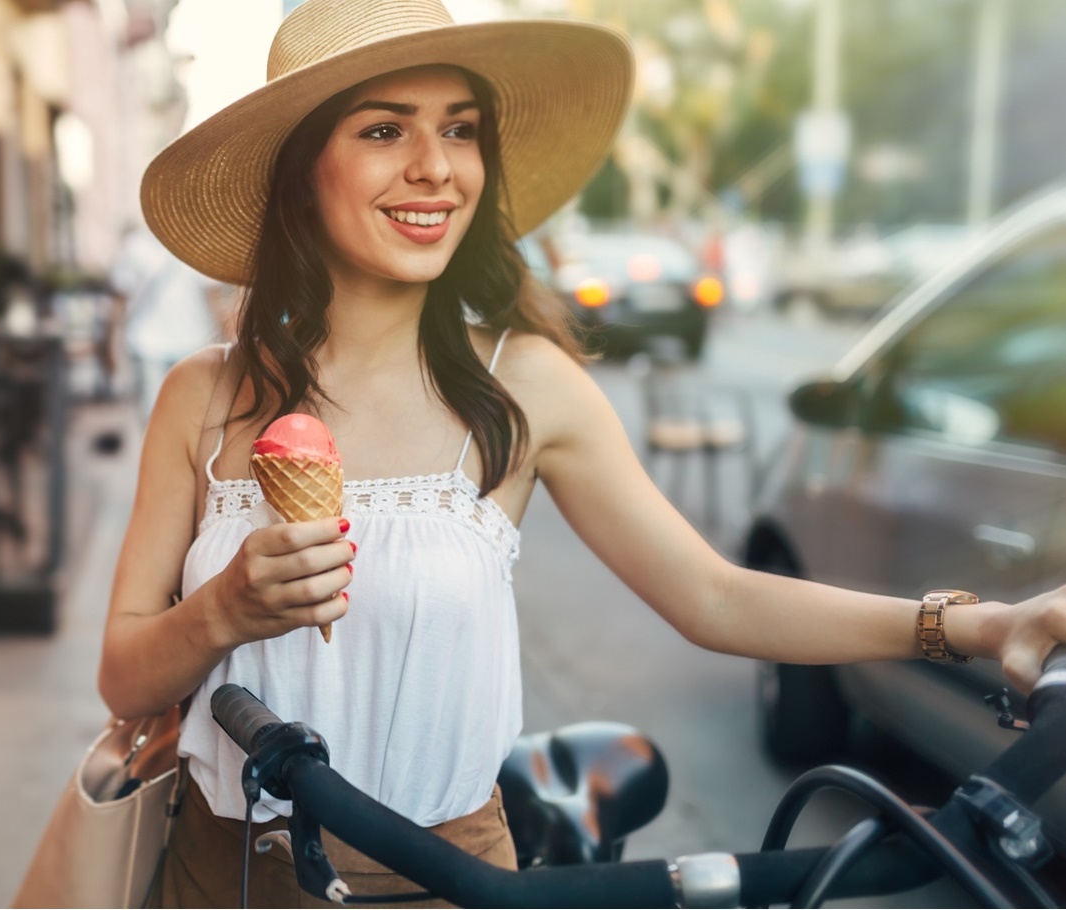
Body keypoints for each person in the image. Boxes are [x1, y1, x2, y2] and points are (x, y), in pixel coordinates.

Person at [97, 1, 1066, 905]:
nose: (437, 166)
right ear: (303, 171)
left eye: (462, 128)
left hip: (451, 876)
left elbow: (715, 596)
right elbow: (126, 676)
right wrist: (223, 609)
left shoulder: (528, 383)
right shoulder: (204, 394)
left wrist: (977, 629)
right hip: (218, 872)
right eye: (385, 129)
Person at [110, 224, 228, 420]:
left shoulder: (201, 245)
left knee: (192, 418)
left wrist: (226, 346)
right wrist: (112, 347)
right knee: (153, 418)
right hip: (147, 347)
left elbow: (214, 300)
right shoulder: (135, 247)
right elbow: (120, 302)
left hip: (192, 346)